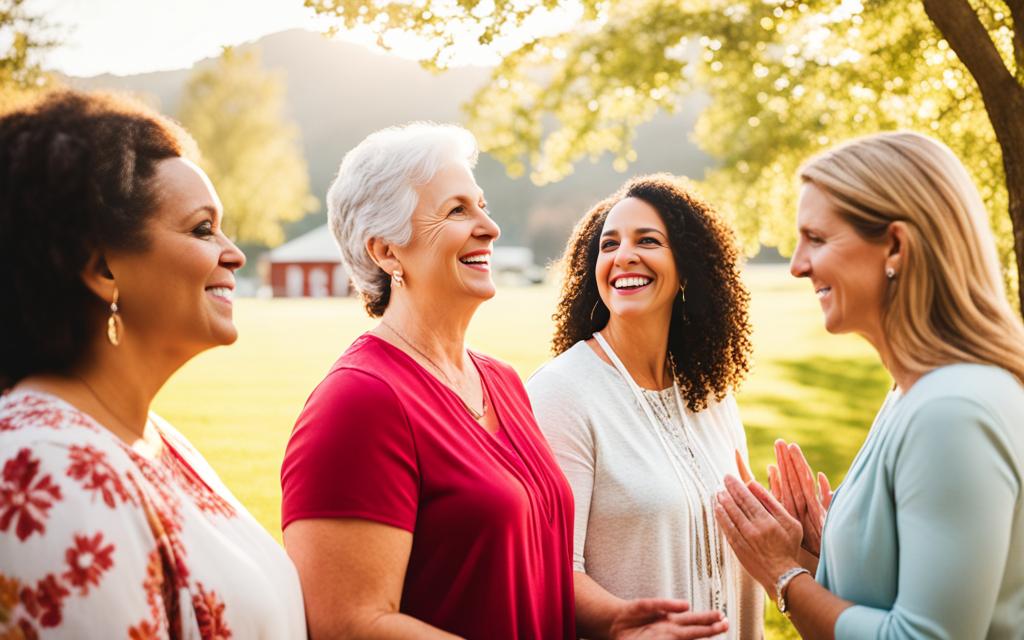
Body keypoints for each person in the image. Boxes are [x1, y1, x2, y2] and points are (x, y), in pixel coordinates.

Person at [280, 125, 727, 640]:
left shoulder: (503, 382)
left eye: (483, 206)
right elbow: (348, 624)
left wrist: (609, 621)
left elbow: (524, 569)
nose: (489, 227)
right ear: (386, 252)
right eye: (456, 211)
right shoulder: (358, 401)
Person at [0, 90, 306, 638]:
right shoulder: (47, 472)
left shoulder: (151, 439)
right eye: (202, 229)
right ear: (103, 269)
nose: (235, 253)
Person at [714, 131, 1024, 639]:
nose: (797, 265)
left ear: (895, 246)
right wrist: (828, 548)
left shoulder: (952, 409)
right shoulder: (911, 393)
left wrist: (782, 576)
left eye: (816, 239)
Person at [528, 174, 759, 639]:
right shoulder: (562, 393)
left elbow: (752, 540)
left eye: (647, 240)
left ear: (689, 266)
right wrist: (623, 626)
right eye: (608, 245)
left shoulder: (712, 393)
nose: (623, 256)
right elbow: (548, 570)